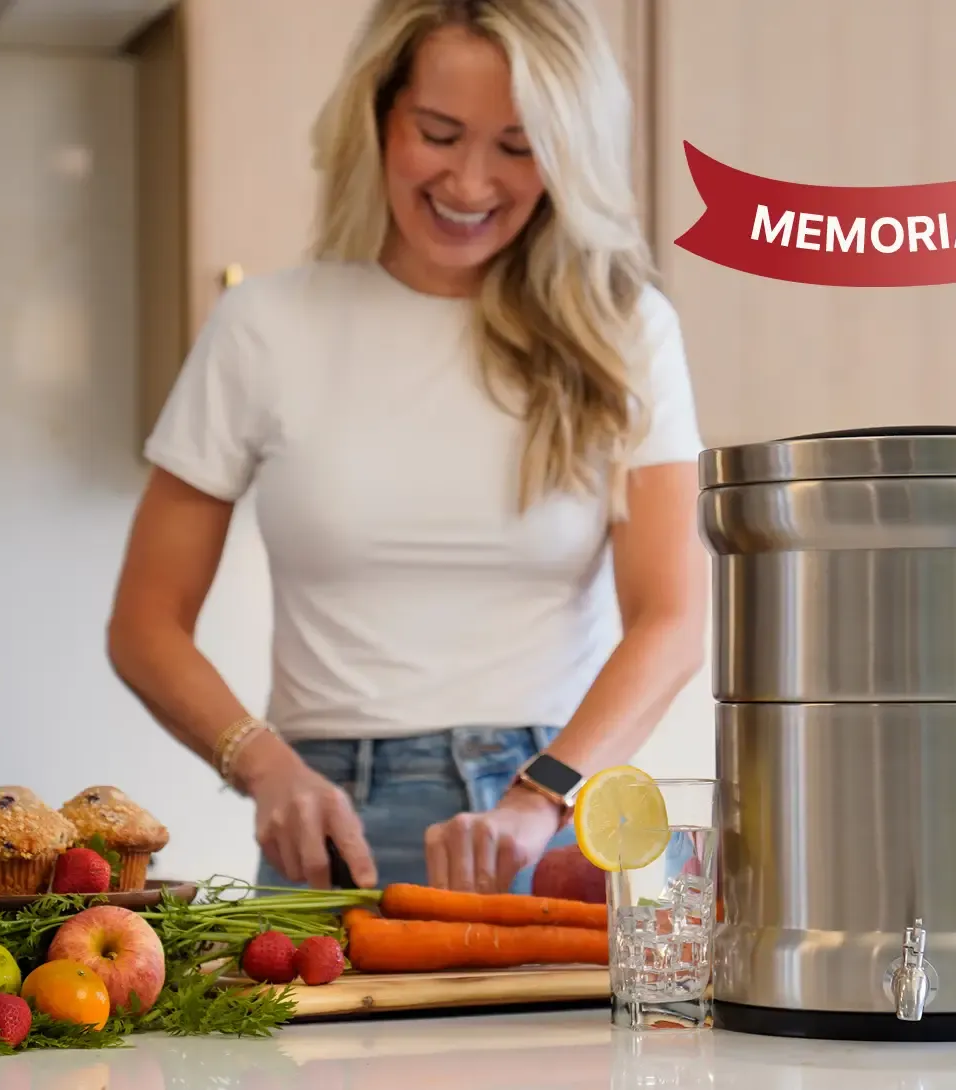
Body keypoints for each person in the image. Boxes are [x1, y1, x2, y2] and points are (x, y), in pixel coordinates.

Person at [105, 0, 706, 896]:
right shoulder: (265, 326)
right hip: (325, 827)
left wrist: (541, 797)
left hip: (546, 818)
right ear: (381, 117)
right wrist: (264, 766)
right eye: (439, 133)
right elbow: (144, 626)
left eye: (518, 144)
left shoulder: (624, 331)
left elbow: (673, 618)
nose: (470, 183)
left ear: (568, 155)